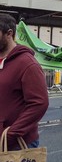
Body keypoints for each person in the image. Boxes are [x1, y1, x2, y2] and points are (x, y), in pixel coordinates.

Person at [0, 13, 49, 150]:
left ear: (9, 34)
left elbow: (39, 103)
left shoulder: (27, 64)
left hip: (17, 144)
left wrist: (12, 134)